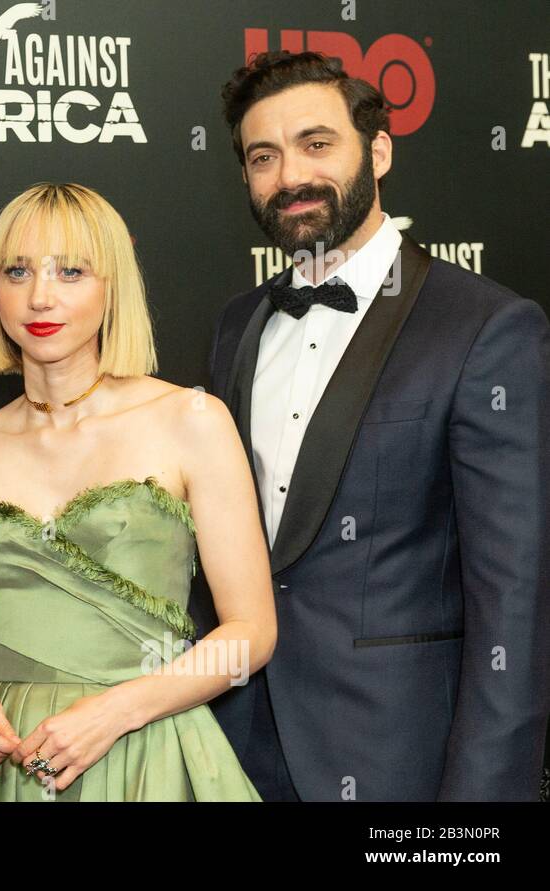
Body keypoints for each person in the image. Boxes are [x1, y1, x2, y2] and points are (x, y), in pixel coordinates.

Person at [197, 50, 550, 801]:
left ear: (379, 151)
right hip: (234, 755)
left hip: (401, 762)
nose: (290, 175)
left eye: (316, 144)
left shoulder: (487, 327)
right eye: (264, 156)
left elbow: (514, 604)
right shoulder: (236, 324)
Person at [0, 183, 275, 801]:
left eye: (71, 271)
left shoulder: (191, 419)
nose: (40, 295)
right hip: (5, 765)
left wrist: (117, 712)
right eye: (17, 270)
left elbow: (250, 633)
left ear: (111, 287)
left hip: (150, 752)